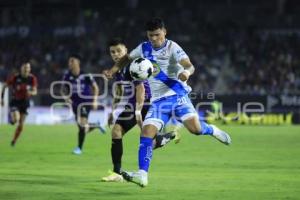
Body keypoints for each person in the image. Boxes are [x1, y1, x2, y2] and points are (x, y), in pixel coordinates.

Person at [104, 18, 231, 187]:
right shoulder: (143, 48)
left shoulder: (173, 47)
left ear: (164, 32)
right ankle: (142, 174)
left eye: (157, 35)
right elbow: (126, 58)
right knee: (147, 134)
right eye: (151, 35)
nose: (154, 39)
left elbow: (189, 65)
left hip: (177, 95)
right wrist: (113, 70)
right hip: (157, 101)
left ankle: (212, 130)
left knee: (195, 129)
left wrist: (186, 72)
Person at [102, 38, 178, 182]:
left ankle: (165, 137)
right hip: (133, 104)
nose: (116, 54)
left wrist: (138, 112)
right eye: (113, 52)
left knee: (148, 142)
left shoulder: (133, 65)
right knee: (116, 131)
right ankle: (117, 173)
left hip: (147, 103)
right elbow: (119, 90)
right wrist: (113, 111)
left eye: (119, 51)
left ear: (126, 51)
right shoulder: (118, 69)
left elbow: (141, 89)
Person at [61, 53, 105, 155]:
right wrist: (66, 98)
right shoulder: (67, 76)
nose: (70, 63)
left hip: (85, 102)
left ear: (78, 62)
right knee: (83, 128)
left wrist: (94, 100)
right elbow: (63, 90)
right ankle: (96, 125)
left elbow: (96, 88)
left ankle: (79, 148)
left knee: (82, 125)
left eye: (72, 61)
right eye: (69, 61)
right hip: (74, 104)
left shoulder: (86, 75)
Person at [0, 62, 37, 146]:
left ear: (30, 69)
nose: (26, 69)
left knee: (21, 125)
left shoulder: (32, 78)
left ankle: (14, 140)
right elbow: (4, 86)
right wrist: (2, 99)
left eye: (27, 68)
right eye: (24, 68)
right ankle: (12, 118)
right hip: (15, 101)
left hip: (25, 103)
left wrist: (31, 93)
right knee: (16, 119)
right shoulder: (15, 77)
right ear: (21, 69)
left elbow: (35, 91)